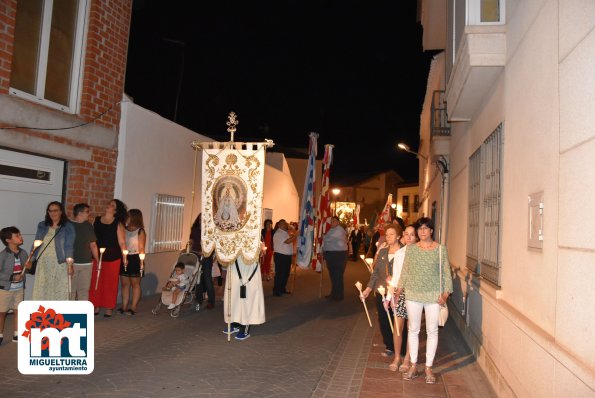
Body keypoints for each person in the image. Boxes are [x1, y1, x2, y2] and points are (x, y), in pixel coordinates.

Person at [396, 217, 453, 384]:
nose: (422, 231)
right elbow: (405, 271)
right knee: (413, 330)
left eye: (425, 228)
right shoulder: (411, 249)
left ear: (431, 231)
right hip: (413, 294)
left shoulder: (440, 250)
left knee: (432, 330)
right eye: (420, 228)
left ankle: (428, 367)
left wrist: (446, 293)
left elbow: (446, 273)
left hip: (433, 296)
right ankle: (413, 365)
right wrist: (399, 289)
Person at [359, 223, 403, 359]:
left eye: (392, 234)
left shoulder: (404, 252)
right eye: (387, 234)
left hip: (397, 292)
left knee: (398, 322)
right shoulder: (383, 252)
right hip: (382, 291)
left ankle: (401, 348)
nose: (388, 237)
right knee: (384, 319)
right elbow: (376, 272)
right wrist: (367, 289)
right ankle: (390, 346)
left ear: (399, 236)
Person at [386, 224, 418, 372]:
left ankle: (407, 359)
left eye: (412, 234)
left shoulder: (421, 253)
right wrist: (388, 297)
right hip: (399, 293)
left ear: (416, 236)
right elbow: (395, 277)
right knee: (397, 328)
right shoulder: (399, 253)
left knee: (412, 328)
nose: (409, 237)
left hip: (415, 293)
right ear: (403, 237)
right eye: (406, 234)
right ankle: (397, 357)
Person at [89, 199, 128, 317]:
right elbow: (91, 239)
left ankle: (109, 307)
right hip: (96, 256)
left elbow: (122, 242)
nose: (108, 206)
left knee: (110, 283)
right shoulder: (96, 220)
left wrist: (125, 257)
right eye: (108, 204)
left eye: (112, 205)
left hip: (113, 257)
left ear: (115, 210)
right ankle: (95, 305)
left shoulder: (118, 223)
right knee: (95, 282)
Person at [31, 201, 75, 300]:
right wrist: (31, 259)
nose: (52, 213)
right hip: (43, 262)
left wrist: (70, 265)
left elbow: (69, 246)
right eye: (50, 211)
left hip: (59, 262)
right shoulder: (42, 225)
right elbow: (36, 243)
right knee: (42, 287)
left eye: (55, 210)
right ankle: (43, 312)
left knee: (58, 288)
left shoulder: (68, 226)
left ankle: (57, 312)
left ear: (61, 212)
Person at [222, 255, 265, 341]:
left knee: (247, 298)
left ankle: (244, 326)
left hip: (248, 265)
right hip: (234, 265)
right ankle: (235, 322)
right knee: (234, 297)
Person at [0, 226, 28, 344]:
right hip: (5, 289)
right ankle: (0, 335)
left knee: (18, 311)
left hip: (19, 288)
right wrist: (12, 277)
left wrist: (31, 265)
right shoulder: (3, 255)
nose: (20, 237)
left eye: (20, 234)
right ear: (8, 240)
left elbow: (28, 268)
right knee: (2, 313)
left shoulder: (24, 253)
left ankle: (16, 334)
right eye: (17, 235)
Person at [119, 208, 146, 315]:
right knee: (125, 284)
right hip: (125, 257)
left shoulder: (140, 230)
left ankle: (133, 307)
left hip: (135, 258)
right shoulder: (124, 229)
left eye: (128, 215)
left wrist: (141, 262)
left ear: (134, 217)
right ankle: (124, 306)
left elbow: (141, 248)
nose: (127, 217)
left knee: (135, 284)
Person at [70, 203, 99, 301]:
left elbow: (93, 244)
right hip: (72, 264)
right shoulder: (69, 225)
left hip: (87, 263)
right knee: (71, 291)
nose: (89, 214)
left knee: (84, 291)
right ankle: (69, 314)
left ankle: (82, 314)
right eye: (87, 212)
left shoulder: (88, 225)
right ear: (80, 213)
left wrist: (98, 260)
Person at [190, 213, 215, 309]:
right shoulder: (195, 229)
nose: (201, 220)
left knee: (207, 278)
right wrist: (189, 246)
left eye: (203, 218)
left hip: (206, 256)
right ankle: (199, 299)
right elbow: (191, 240)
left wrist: (205, 251)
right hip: (196, 254)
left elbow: (213, 243)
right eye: (200, 218)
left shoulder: (210, 230)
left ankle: (211, 301)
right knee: (197, 278)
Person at [322, 216, 348, 301]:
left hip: (338, 255)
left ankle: (339, 295)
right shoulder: (332, 230)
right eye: (331, 221)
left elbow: (328, 238)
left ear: (338, 222)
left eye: (334, 221)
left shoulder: (339, 230)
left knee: (337, 275)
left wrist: (322, 236)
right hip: (331, 255)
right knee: (333, 275)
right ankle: (334, 293)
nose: (332, 222)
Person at [272, 219, 294, 296]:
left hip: (286, 256)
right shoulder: (278, 233)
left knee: (286, 273)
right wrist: (296, 235)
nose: (285, 225)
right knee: (280, 273)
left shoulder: (285, 233)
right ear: (279, 225)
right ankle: (277, 290)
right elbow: (287, 241)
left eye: (285, 223)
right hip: (281, 256)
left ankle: (282, 288)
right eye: (282, 224)